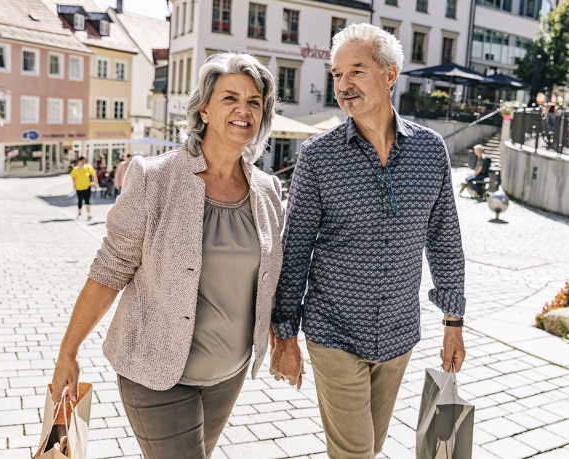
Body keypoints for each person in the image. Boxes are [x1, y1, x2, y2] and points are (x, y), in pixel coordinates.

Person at [50, 53, 284, 459]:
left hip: (228, 375)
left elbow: (269, 279)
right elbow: (110, 269)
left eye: (254, 101)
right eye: (230, 98)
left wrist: (284, 339)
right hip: (155, 373)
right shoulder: (155, 177)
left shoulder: (267, 191)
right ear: (205, 108)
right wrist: (68, 352)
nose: (243, 110)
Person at [270, 23, 466, 459]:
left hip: (398, 333)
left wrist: (454, 323)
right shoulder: (318, 157)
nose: (343, 85)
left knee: (371, 446)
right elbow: (295, 247)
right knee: (355, 452)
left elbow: (445, 239)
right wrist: (285, 335)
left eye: (356, 71)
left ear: (390, 75)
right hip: (332, 329)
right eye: (337, 75)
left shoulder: (430, 150)